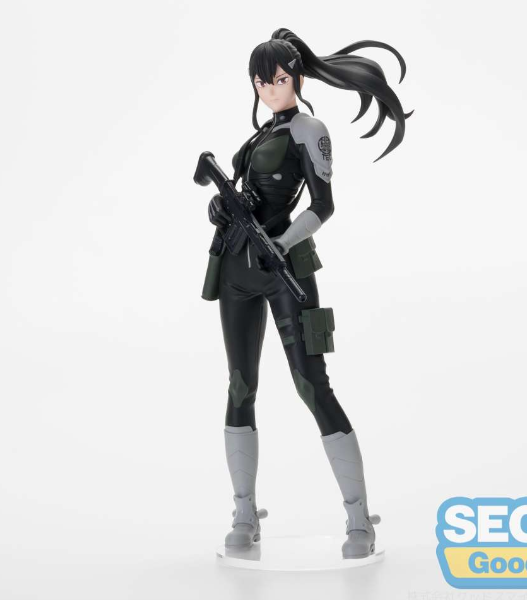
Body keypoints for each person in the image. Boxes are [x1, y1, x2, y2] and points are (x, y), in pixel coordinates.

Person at [200, 28, 412, 559]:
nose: (269, 88)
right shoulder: (258, 137)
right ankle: (244, 512)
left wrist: (282, 242)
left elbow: (323, 205)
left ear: (294, 77)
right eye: (260, 81)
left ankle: (359, 519)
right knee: (240, 386)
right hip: (237, 269)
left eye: (277, 79)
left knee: (312, 383)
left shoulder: (309, 130)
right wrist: (220, 207)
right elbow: (238, 193)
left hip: (285, 267)